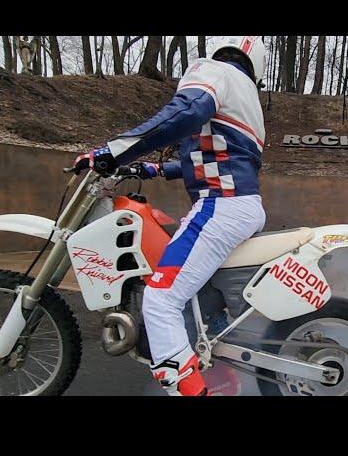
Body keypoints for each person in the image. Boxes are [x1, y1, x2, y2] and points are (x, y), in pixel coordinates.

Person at [73, 36, 268, 395]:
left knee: (161, 299)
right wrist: (156, 170)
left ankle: (188, 388)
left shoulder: (213, 71)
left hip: (219, 206)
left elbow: (185, 112)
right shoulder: (249, 99)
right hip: (240, 206)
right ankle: (222, 376)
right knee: (201, 306)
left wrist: (112, 152)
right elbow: (220, 156)